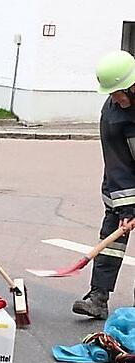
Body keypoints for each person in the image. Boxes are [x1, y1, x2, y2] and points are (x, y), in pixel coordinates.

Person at [72, 50, 135, 319]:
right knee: (112, 237)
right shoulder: (112, 113)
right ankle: (98, 297)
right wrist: (127, 209)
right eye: (111, 93)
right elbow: (117, 162)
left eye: (119, 93)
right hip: (121, 183)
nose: (115, 99)